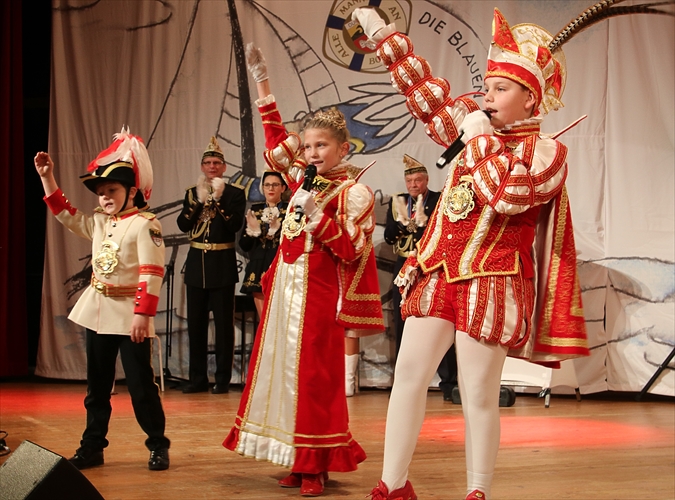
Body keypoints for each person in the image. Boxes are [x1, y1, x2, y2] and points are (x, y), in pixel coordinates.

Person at [352, 7, 590, 500]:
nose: (487, 96)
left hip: (492, 279)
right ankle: (392, 485)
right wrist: (383, 36)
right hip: (437, 270)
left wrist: (479, 139)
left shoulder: (546, 153)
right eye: (487, 86)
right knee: (408, 376)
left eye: (500, 89)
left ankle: (477, 492)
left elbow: (505, 194)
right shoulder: (472, 125)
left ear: (530, 97)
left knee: (478, 393)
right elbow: (425, 94)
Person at [223, 43, 384, 497]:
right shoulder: (301, 180)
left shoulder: (353, 193)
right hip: (284, 290)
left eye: (321, 145)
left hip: (319, 293)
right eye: (309, 145)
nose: (312, 152)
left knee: (315, 377)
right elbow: (276, 140)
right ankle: (297, 457)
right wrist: (262, 82)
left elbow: (351, 249)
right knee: (283, 374)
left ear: (343, 148)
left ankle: (318, 464)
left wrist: (318, 217)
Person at [34, 127, 171, 471]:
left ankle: (158, 444)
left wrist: (142, 315)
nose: (105, 197)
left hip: (130, 316)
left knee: (140, 387)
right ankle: (92, 446)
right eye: (101, 193)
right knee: (97, 387)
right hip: (98, 312)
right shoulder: (99, 222)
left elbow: (152, 271)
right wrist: (47, 177)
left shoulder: (145, 224)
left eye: (112, 190)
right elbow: (65, 213)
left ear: (131, 191)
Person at [383, 154, 457, 401]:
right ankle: (404, 384)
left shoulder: (439, 199)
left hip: (432, 265)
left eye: (417, 180)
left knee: (440, 321)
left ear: (426, 180)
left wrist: (422, 225)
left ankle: (449, 384)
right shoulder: (399, 201)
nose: (413, 185)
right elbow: (389, 236)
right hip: (404, 266)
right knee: (402, 322)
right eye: (409, 181)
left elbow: (445, 229)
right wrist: (406, 225)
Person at [177, 137, 246, 395]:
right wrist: (199, 201)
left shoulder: (235, 193)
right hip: (197, 264)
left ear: (224, 167)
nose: (212, 167)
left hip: (222, 265)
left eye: (216, 162)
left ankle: (222, 379)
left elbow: (235, 225)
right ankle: (197, 379)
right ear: (202, 166)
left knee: (224, 327)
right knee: (196, 326)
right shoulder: (191, 192)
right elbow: (183, 225)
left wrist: (218, 199)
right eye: (207, 163)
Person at [239, 170, 288, 318]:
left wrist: (279, 230)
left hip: (281, 263)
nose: (271, 188)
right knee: (264, 320)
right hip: (259, 264)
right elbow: (244, 245)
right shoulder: (255, 210)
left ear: (283, 188)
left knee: (282, 316)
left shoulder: (289, 210)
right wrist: (252, 231)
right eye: (267, 185)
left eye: (275, 185)